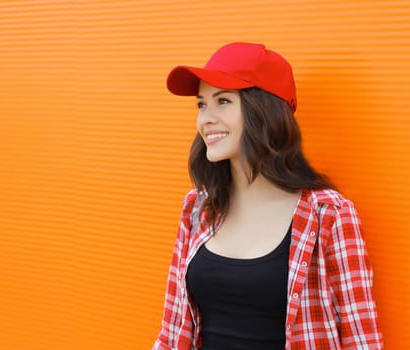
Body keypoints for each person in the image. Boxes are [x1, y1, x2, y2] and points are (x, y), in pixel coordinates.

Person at [153, 42, 382, 350]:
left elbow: (362, 341)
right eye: (201, 104)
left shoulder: (328, 215)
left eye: (223, 101)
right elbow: (171, 333)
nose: (205, 119)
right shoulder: (198, 208)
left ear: (265, 110)